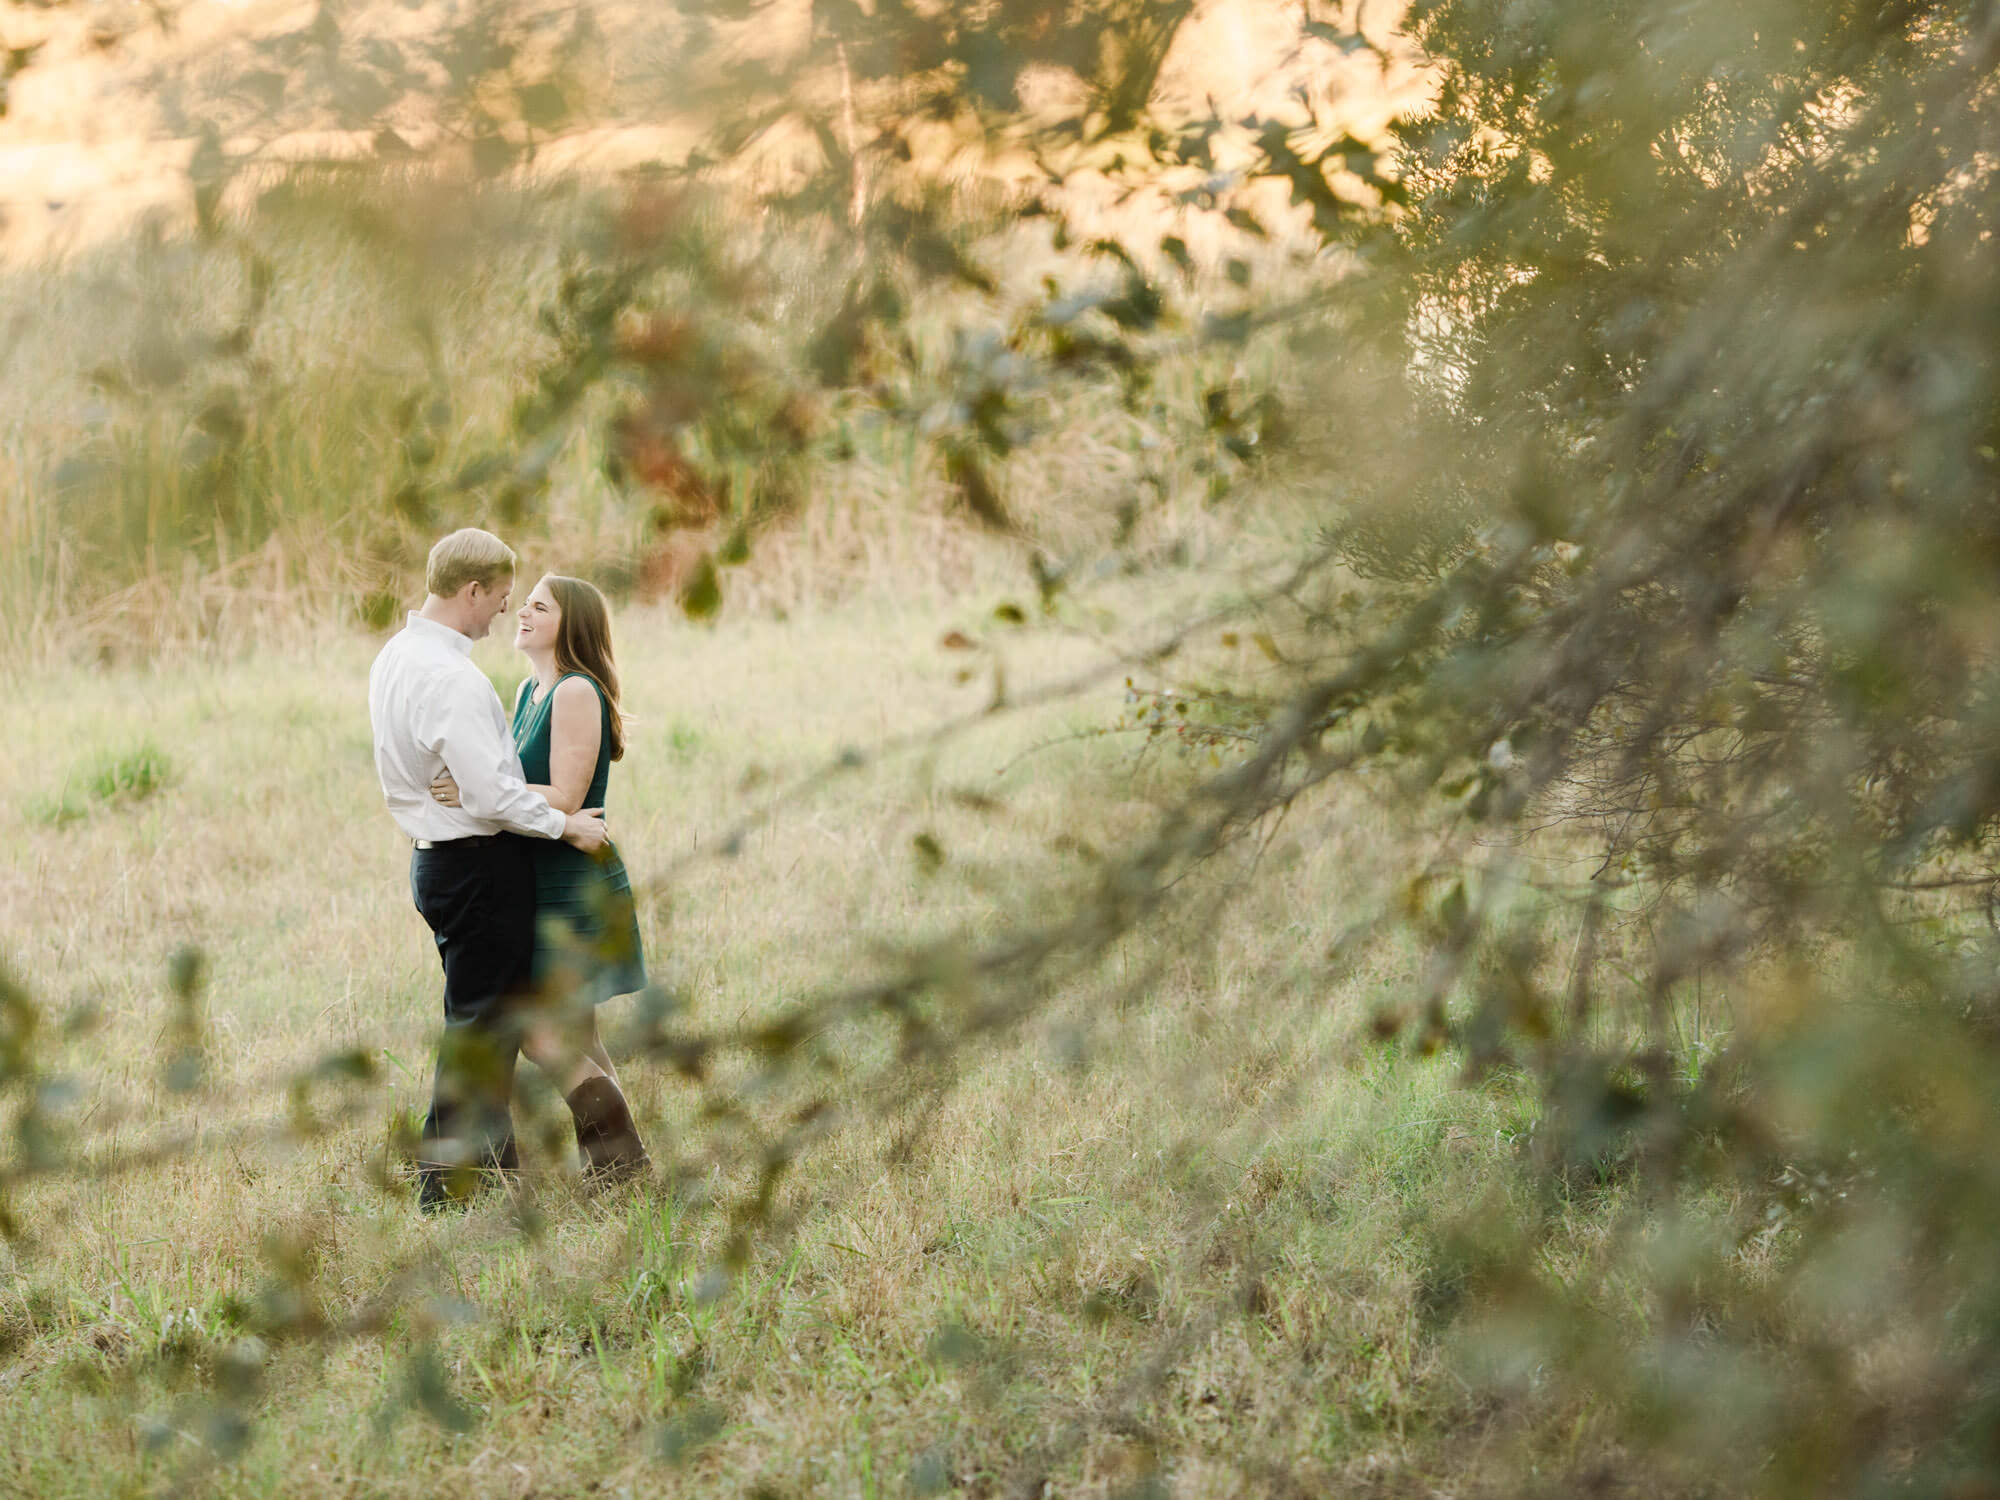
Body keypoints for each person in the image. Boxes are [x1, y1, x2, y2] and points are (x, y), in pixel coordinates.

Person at [368, 528, 611, 1213]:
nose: (503, 612)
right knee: (477, 1031)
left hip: (440, 865)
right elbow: (493, 796)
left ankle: (496, 1170)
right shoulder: (453, 677)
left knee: (493, 1026)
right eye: (501, 600)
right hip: (477, 869)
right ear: (471, 591)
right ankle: (443, 1188)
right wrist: (567, 824)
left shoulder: (396, 656)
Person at [429, 573, 651, 1185]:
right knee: (577, 1031)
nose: (520, 611)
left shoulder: (576, 691)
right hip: (537, 877)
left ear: (570, 623)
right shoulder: (531, 689)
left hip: (572, 884)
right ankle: (622, 1165)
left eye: (538, 606)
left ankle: (623, 1158)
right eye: (522, 602)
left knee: (536, 1027)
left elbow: (567, 796)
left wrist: (479, 791)